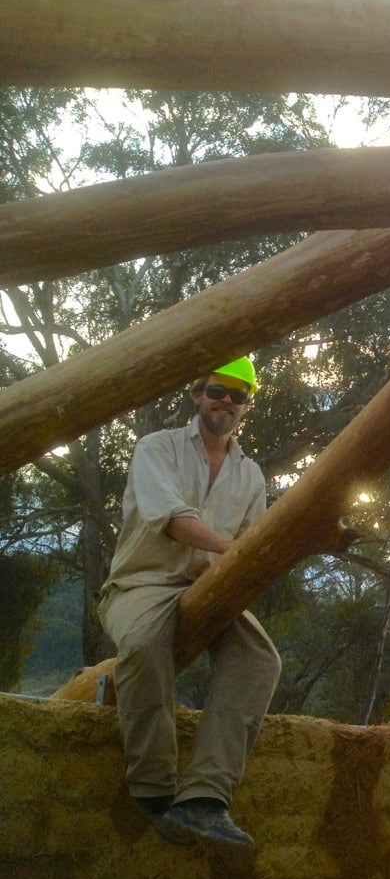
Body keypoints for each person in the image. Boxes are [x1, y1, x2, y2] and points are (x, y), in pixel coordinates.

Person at [97, 357, 279, 849]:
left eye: (238, 396)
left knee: (260, 658)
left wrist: (270, 554)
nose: (226, 401)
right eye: (218, 390)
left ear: (247, 407)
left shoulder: (252, 475)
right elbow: (175, 520)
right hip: (141, 584)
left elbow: (255, 545)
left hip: (209, 590)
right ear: (197, 395)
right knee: (142, 644)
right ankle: (154, 791)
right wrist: (242, 552)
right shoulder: (156, 448)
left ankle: (205, 799)